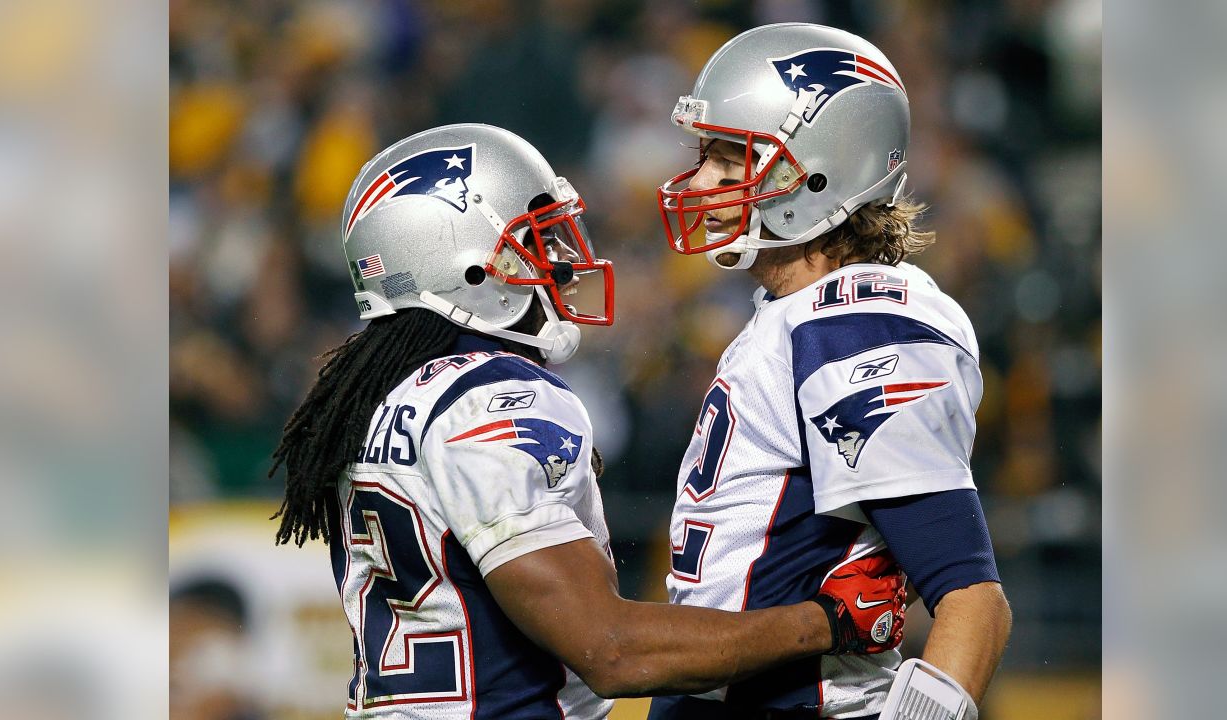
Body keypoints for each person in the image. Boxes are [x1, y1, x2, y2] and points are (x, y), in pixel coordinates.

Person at [270, 123, 910, 719]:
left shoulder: (380, 399)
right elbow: (612, 650)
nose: (564, 260)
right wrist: (827, 621)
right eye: (534, 239)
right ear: (463, 263)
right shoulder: (494, 395)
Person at [652, 24, 1012, 719]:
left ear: (816, 173)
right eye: (705, 156)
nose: (700, 181)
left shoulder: (859, 327)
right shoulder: (798, 316)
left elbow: (972, 601)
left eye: (731, 160)